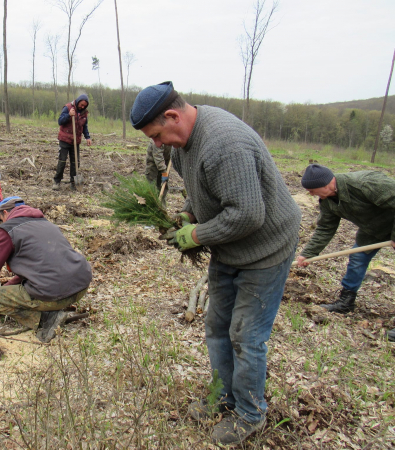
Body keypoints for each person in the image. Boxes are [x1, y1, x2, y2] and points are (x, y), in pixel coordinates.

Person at [130, 81, 301, 445]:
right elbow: (200, 187)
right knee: (217, 324)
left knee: (246, 335)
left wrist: (196, 236)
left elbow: (248, 214)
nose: (157, 145)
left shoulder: (224, 142)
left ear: (173, 115)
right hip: (229, 248)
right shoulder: (183, 144)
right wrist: (189, 213)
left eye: (158, 134)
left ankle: (250, 414)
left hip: (265, 248)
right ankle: (223, 396)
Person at [296, 164, 395, 341]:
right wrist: (308, 253)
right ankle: (346, 302)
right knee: (357, 257)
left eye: (312, 190)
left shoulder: (365, 184)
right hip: (373, 230)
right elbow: (325, 228)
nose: (311, 194)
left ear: (327, 183)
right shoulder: (328, 200)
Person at [0, 196, 92, 343]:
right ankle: (51, 309)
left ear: (5, 213)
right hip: (80, 287)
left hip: (54, 294)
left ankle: (45, 320)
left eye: (1, 218)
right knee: (33, 287)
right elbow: (35, 269)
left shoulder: (8, 230)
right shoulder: (46, 224)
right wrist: (7, 288)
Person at [52, 94, 92, 191]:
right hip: (65, 139)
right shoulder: (68, 108)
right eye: (81, 105)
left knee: (75, 163)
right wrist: (69, 115)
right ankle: (57, 181)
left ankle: (73, 183)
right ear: (78, 102)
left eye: (84, 106)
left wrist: (87, 137)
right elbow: (60, 121)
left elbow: (84, 127)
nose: (82, 107)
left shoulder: (84, 113)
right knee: (62, 161)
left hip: (76, 140)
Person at [145, 139, 172, 205]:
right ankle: (151, 207)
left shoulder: (173, 138)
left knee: (164, 185)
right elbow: (158, 156)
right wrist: (164, 172)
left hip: (165, 162)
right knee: (152, 186)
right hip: (153, 164)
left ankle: (162, 207)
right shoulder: (157, 139)